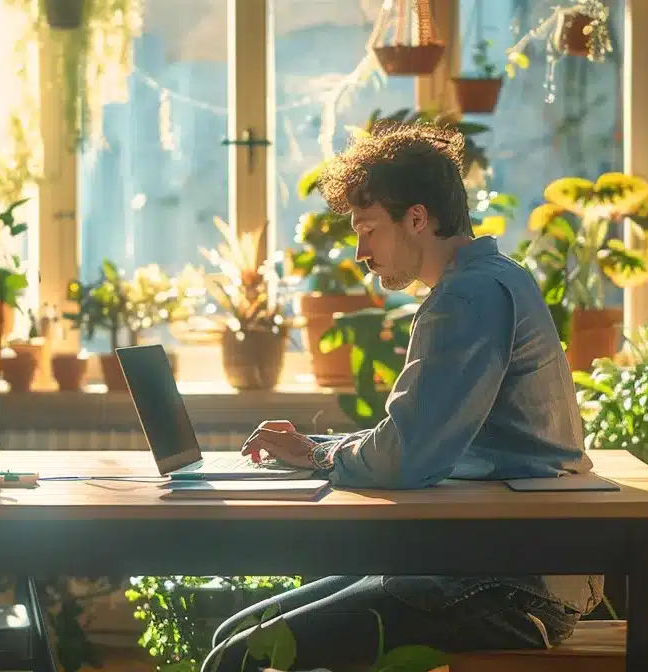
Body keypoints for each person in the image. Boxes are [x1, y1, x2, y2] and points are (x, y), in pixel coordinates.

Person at [206, 122, 599, 672]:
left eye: (368, 229)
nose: (361, 251)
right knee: (240, 634)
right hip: (501, 566)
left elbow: (409, 456)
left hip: (508, 589)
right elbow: (424, 439)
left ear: (417, 217)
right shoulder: (494, 277)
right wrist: (316, 446)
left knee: (242, 655)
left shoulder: (467, 297)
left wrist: (319, 455)